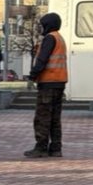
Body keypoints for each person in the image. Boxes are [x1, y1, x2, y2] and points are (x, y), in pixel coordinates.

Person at [24, 12, 68, 158]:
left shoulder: (50, 38)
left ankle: (41, 147)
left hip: (48, 83)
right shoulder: (59, 38)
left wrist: (32, 76)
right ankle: (56, 148)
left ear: (48, 25)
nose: (41, 28)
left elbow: (42, 60)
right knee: (55, 118)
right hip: (59, 82)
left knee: (43, 117)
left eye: (42, 25)